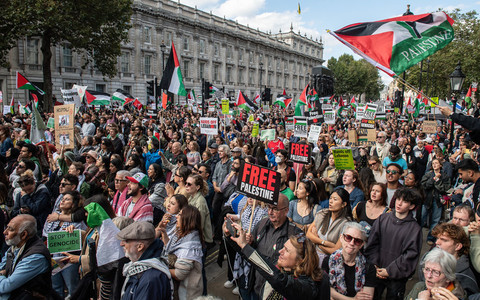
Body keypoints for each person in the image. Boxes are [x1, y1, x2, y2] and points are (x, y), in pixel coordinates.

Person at [228, 224, 330, 299]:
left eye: (287, 250)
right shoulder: (284, 269)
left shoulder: (307, 287)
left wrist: (245, 246)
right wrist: (231, 237)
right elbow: (259, 261)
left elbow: (278, 279)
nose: (281, 251)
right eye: (283, 247)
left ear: (300, 261)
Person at [364, 187, 423, 300]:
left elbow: (410, 255)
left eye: (404, 201)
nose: (399, 203)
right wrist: (374, 265)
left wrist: (389, 271)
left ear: (411, 206)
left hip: (397, 278)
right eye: (398, 199)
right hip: (376, 271)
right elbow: (372, 243)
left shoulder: (415, 229)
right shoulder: (383, 219)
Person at [43, 190, 86, 298]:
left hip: (68, 260)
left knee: (73, 288)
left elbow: (84, 238)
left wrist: (75, 231)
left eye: (67, 199)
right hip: (53, 259)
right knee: (55, 289)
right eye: (62, 199)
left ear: (74, 203)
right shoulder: (52, 217)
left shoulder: (78, 220)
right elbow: (45, 235)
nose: (63, 201)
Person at [0, 215, 55, 299]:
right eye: (7, 227)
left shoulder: (36, 256)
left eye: (10, 229)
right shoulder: (15, 246)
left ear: (24, 235)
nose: (5, 232)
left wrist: (1, 275)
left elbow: (5, 286)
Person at [117, 221, 173, 300]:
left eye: (126, 241)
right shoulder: (139, 269)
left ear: (140, 247)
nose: (121, 244)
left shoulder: (151, 280)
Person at [159, 205, 203, 300]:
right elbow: (170, 248)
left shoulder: (190, 245)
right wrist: (164, 233)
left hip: (187, 294)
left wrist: (161, 269)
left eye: (180, 214)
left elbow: (180, 274)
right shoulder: (181, 233)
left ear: (188, 219)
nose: (176, 216)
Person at [326, 222, 377, 300]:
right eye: (348, 237)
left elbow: (367, 297)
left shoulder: (369, 267)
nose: (351, 243)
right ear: (341, 238)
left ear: (361, 245)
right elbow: (326, 290)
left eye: (357, 241)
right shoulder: (328, 261)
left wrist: (335, 296)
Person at [428, 223, 479, 296]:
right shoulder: (429, 260)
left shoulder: (465, 277)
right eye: (437, 238)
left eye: (444, 240)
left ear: (458, 246)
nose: (437, 243)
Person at [307, 188, 353, 262]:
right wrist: (325, 243)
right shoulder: (322, 213)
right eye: (330, 198)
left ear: (343, 204)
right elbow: (308, 234)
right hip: (312, 254)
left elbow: (336, 250)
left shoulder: (346, 223)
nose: (331, 201)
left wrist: (317, 243)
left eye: (335, 199)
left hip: (330, 259)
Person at [422, 158, 451, 245]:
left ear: (440, 165)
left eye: (436, 163)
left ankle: (431, 238)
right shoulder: (428, 174)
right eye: (433, 163)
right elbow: (424, 185)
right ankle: (417, 236)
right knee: (422, 217)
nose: (434, 165)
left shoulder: (445, 176)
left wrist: (438, 180)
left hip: (438, 200)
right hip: (427, 199)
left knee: (435, 220)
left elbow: (445, 188)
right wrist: (434, 179)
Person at [184, 174, 213, 244]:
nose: (186, 185)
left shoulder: (200, 202)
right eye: (186, 183)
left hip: (201, 240)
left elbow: (199, 225)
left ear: (197, 187)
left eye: (189, 184)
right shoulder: (191, 197)